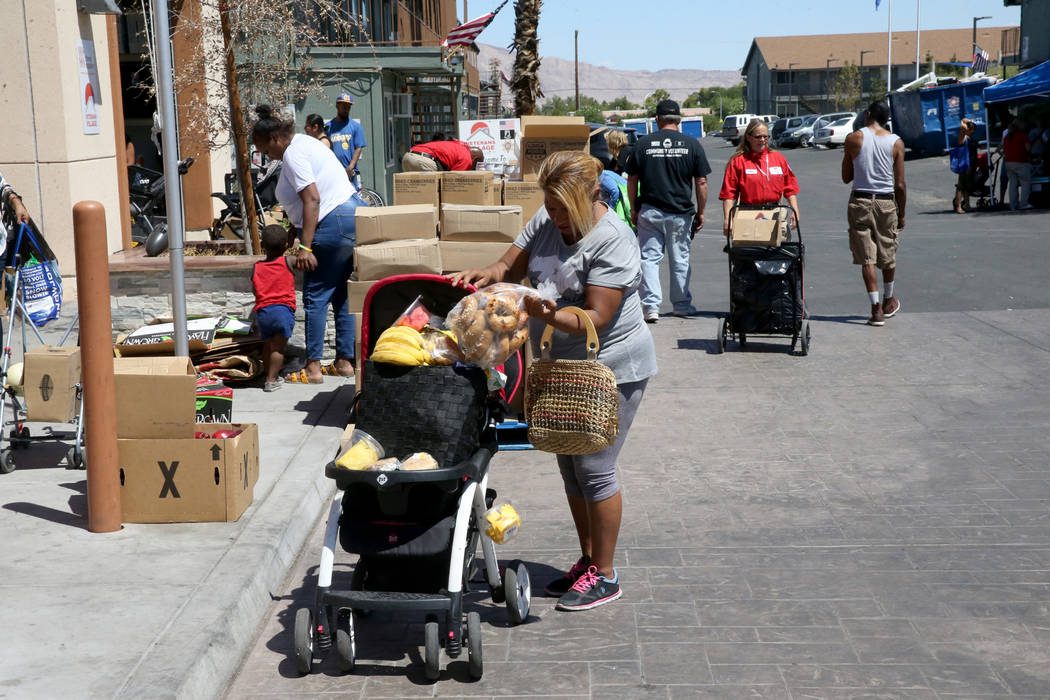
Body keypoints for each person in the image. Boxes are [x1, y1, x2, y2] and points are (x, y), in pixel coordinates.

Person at [449, 151, 657, 612]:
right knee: (570, 467)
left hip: (613, 368)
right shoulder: (546, 219)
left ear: (589, 198)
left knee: (596, 468)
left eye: (565, 209)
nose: (557, 217)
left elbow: (598, 318)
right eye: (552, 206)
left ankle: (606, 575)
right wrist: (486, 275)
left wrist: (546, 313)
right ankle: (587, 562)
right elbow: (509, 267)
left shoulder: (614, 240)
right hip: (563, 367)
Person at [251, 104, 368, 383]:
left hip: (331, 223)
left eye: (266, 150)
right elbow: (315, 193)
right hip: (352, 217)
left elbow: (313, 198)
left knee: (315, 297)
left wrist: (305, 247)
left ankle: (313, 367)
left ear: (276, 139)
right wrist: (295, 226)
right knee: (340, 294)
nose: (268, 156)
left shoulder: (293, 154)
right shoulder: (307, 143)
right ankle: (344, 362)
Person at [626, 99, 711, 322]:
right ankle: (681, 305)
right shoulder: (691, 145)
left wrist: (634, 207)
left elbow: (632, 179)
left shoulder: (643, 144)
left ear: (657, 119)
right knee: (679, 260)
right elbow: (701, 182)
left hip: (650, 211)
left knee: (649, 259)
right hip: (680, 213)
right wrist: (701, 212)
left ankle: (650, 307)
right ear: (679, 120)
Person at [842, 101, 906, 327]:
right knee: (888, 251)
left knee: (866, 257)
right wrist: (902, 213)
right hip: (886, 202)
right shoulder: (896, 142)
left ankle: (875, 309)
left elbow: (846, 177)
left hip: (860, 200)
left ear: (868, 114)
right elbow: (899, 184)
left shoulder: (854, 139)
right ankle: (889, 299)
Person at [718, 118, 800, 240]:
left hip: (775, 213)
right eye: (758, 137)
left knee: (779, 254)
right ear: (748, 137)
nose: (762, 140)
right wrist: (727, 220)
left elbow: (790, 188)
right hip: (748, 214)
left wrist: (795, 210)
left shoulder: (778, 158)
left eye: (765, 137)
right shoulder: (738, 162)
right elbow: (728, 195)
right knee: (749, 254)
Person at [252, 225, 296, 392]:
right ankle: (271, 380)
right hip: (282, 312)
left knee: (268, 346)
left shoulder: (257, 267)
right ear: (286, 245)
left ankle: (266, 374)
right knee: (278, 349)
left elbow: (254, 290)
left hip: (263, 313)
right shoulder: (288, 261)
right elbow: (307, 260)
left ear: (262, 245)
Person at [325, 93, 367, 183]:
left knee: (352, 196)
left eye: (348, 107)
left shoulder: (356, 126)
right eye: (343, 106)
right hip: (333, 173)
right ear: (337, 106)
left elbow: (358, 148)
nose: (346, 109)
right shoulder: (328, 127)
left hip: (350, 172)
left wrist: (350, 167)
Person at [1003, 119, 1033, 211]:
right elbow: (1028, 149)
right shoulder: (1023, 136)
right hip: (1021, 162)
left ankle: (1013, 204)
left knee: (1013, 184)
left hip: (1008, 162)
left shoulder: (1007, 137)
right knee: (1025, 182)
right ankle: (1023, 203)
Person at [401, 138, 484, 172]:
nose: (472, 169)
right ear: (475, 159)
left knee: (413, 192)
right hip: (423, 161)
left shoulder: (459, 145)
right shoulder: (467, 159)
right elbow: (453, 181)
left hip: (407, 157)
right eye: (475, 166)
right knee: (433, 193)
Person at [953, 118, 980, 214]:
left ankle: (967, 205)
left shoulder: (970, 138)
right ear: (967, 129)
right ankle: (958, 206)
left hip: (971, 165)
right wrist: (967, 123)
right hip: (965, 165)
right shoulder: (963, 137)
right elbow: (962, 123)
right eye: (972, 129)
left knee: (968, 186)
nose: (973, 131)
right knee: (961, 186)